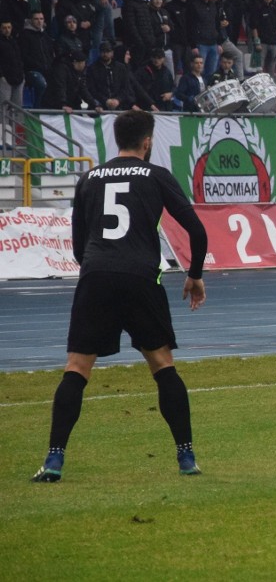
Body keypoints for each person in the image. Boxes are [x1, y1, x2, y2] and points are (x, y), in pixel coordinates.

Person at [31, 110, 208, 483]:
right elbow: (196, 230)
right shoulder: (157, 176)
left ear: (116, 140)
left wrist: (98, 269)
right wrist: (194, 276)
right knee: (162, 366)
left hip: (96, 276)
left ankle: (53, 460)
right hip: (142, 278)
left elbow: (79, 246)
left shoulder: (90, 178)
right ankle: (186, 457)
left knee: (77, 369)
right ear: (147, 142)